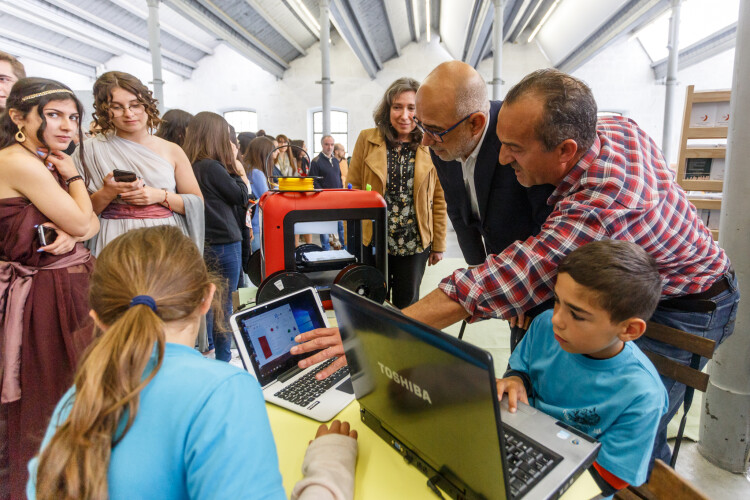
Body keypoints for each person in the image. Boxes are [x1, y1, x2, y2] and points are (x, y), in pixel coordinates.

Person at [292, 69, 739, 470]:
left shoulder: (603, 204)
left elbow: (513, 273)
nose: (503, 160)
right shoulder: (605, 126)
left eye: (513, 149)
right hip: (632, 279)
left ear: (565, 149)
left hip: (687, 301)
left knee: (639, 431)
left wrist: (380, 328)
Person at [26, 226, 358, 500]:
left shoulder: (73, 406)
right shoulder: (225, 391)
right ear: (207, 299)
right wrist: (329, 469)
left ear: (97, 319)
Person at [497, 240, 667, 497]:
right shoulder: (545, 326)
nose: (556, 319)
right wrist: (515, 380)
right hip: (520, 449)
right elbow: (522, 370)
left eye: (576, 314)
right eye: (557, 300)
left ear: (629, 330)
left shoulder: (642, 395)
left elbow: (611, 476)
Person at [0, 77, 99, 500]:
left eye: (73, 117)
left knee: (73, 392)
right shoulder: (20, 162)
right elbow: (83, 222)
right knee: (51, 393)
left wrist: (80, 227)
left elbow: (89, 225)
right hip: (43, 295)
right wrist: (74, 175)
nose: (67, 127)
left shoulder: (42, 160)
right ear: (18, 117)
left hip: (66, 287)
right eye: (54, 115)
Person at [415, 61, 555, 344]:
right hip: (500, 266)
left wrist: (517, 290)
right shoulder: (442, 140)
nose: (425, 141)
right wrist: (481, 273)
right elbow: (459, 212)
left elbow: (548, 227)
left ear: (475, 123)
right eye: (421, 125)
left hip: (543, 273)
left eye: (434, 130)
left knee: (539, 357)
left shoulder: (518, 137)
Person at [73, 71, 204, 256]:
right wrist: (108, 192)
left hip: (165, 240)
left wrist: (159, 196)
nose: (129, 114)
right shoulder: (87, 151)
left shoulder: (172, 150)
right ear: (104, 111)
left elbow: (197, 202)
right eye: (117, 107)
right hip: (113, 240)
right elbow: (78, 214)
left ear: (147, 105)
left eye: (135, 105)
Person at [347, 77, 447, 308]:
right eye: (397, 107)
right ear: (387, 109)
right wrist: (351, 242)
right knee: (370, 300)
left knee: (408, 306)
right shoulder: (367, 139)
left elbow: (439, 199)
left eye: (412, 108)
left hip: (414, 242)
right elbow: (351, 193)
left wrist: (439, 244)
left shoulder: (431, 144)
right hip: (373, 239)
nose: (404, 115)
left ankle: (402, 343)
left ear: (421, 111)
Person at [183, 112, 249, 363]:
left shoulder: (189, 165)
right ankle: (222, 359)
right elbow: (241, 195)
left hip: (202, 242)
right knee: (223, 305)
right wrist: (235, 165)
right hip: (225, 243)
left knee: (207, 302)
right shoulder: (213, 166)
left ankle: (207, 349)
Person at [309, 135, 345, 250]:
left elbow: (338, 178)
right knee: (325, 228)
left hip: (338, 199)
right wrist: (324, 195)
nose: (329, 147)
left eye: (331, 144)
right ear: (322, 145)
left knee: (339, 226)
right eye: (326, 144)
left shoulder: (335, 160)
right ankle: (326, 251)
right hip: (323, 200)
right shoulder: (316, 162)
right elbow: (313, 181)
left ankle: (343, 250)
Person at [242, 136, 275, 253]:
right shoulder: (256, 173)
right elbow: (268, 197)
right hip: (257, 226)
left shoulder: (248, 168)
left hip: (251, 224)